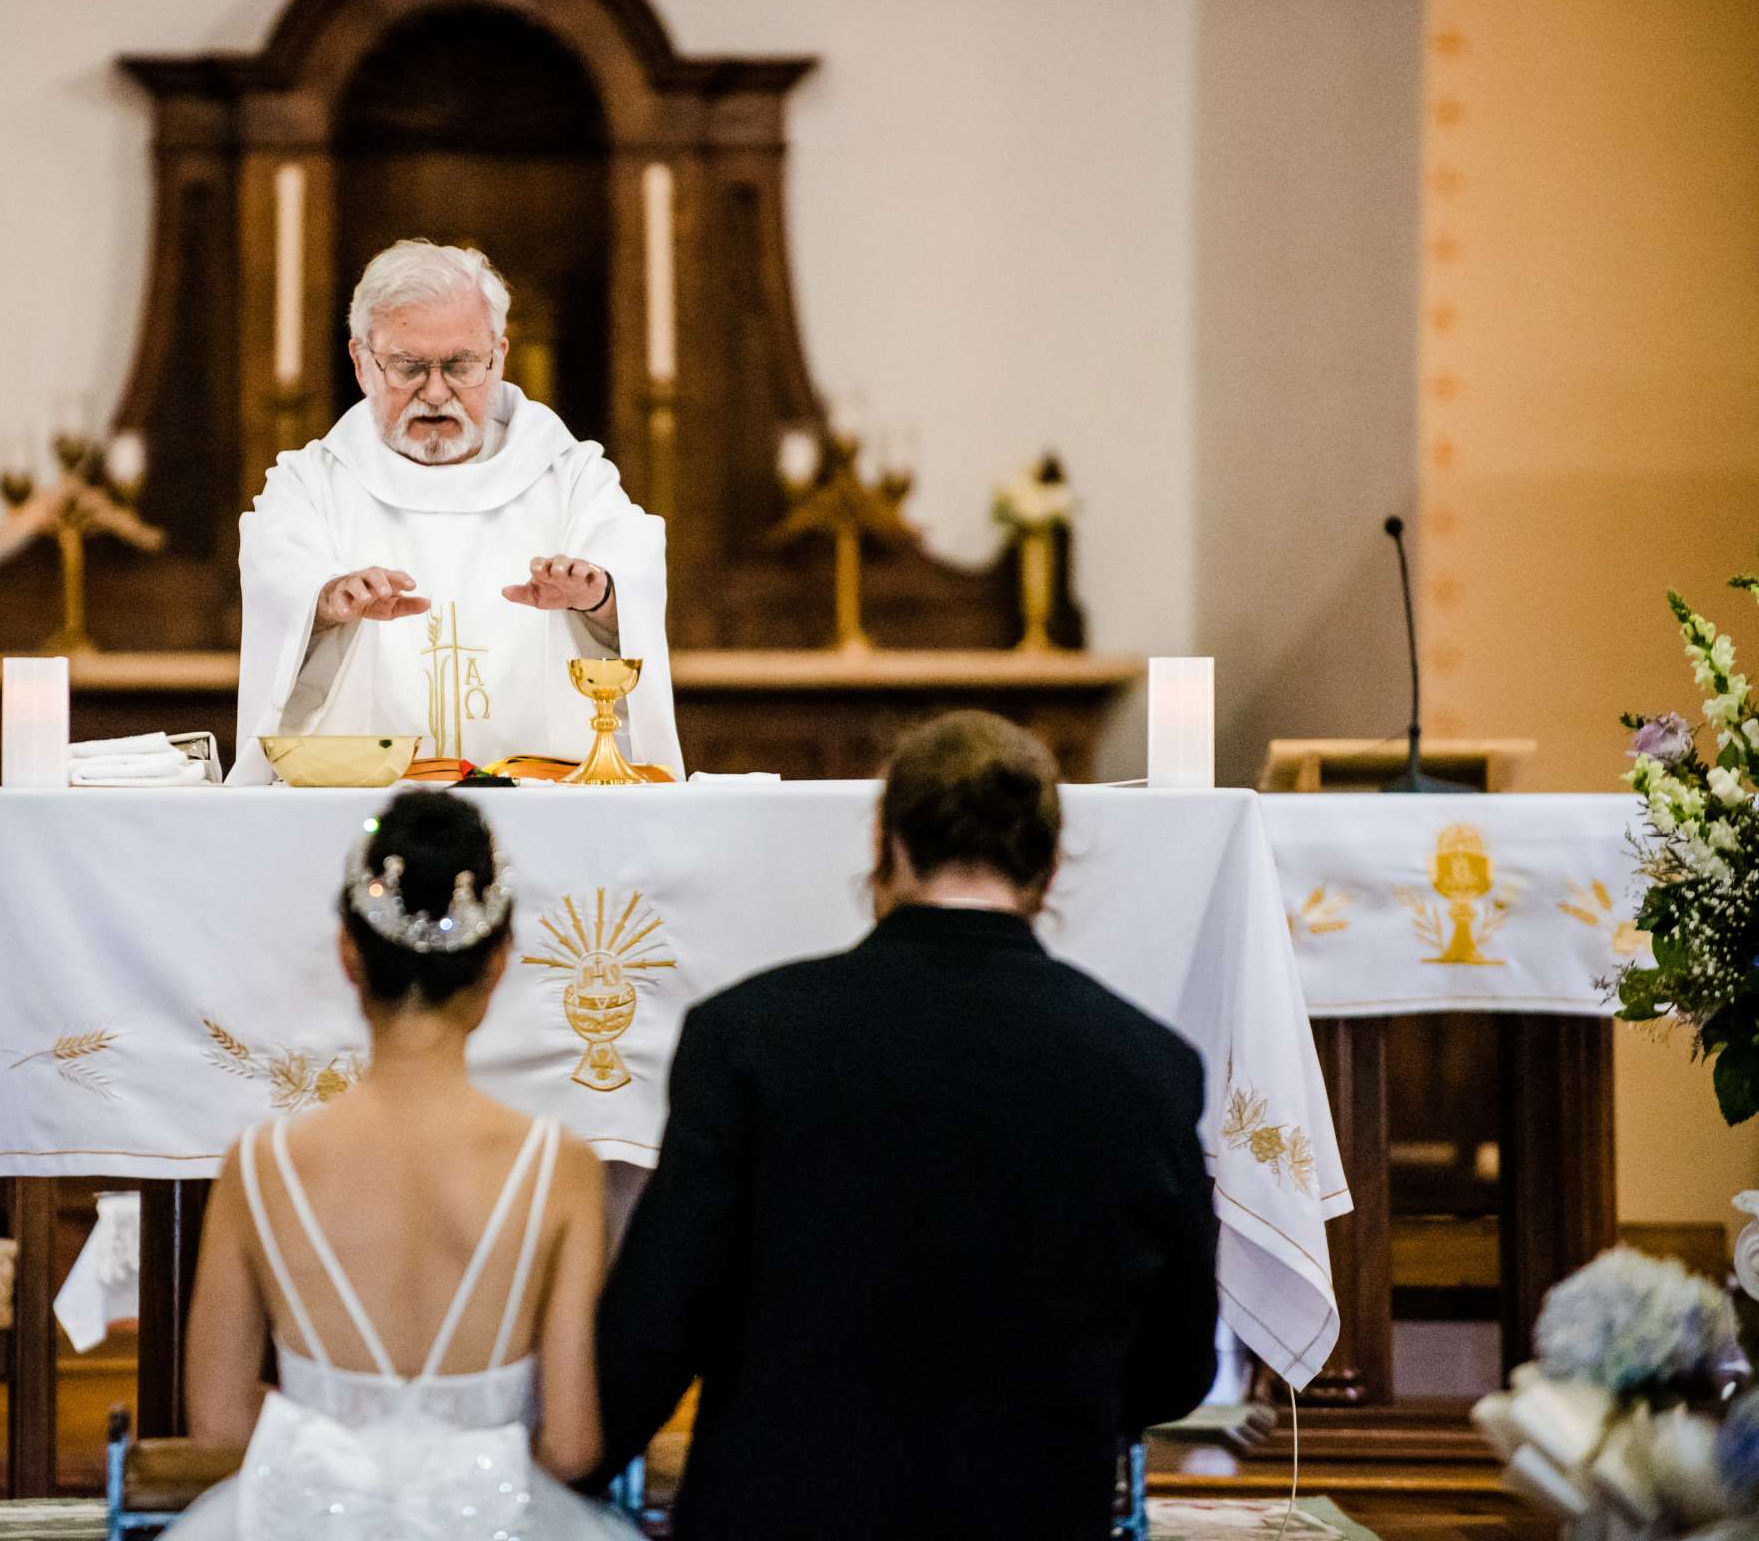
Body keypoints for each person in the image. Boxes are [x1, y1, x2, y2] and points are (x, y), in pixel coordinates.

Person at [592, 711, 1221, 1540]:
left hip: (780, 1512)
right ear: (1050, 863)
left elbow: (654, 1331)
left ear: (885, 845)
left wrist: (560, 1476)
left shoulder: (747, 1036)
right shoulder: (1149, 1066)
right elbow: (1174, 1368)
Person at [172, 791, 639, 1540]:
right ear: (498, 965)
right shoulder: (560, 1168)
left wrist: (334, 1458)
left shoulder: (260, 1167)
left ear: (348, 954)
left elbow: (220, 1429)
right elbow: (573, 1443)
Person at [229, 239, 681, 783]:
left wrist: (600, 597)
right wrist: (325, 603)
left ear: (498, 358)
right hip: (356, 808)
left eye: (461, 365)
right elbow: (279, 585)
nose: (436, 391)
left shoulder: (570, 476)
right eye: (408, 366)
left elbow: (632, 576)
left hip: (544, 805)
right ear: (361, 363)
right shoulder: (309, 486)